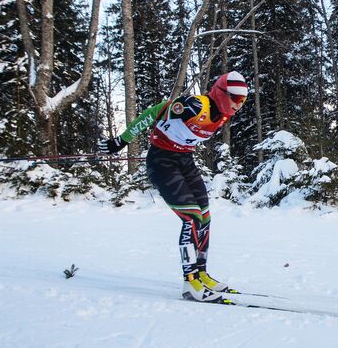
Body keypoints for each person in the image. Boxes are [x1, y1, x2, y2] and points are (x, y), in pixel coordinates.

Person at [99, 71, 248, 303]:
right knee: (191, 218)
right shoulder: (196, 105)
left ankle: (201, 274)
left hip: (185, 161)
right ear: (220, 93)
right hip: (162, 162)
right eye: (236, 98)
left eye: (243, 100)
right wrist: (122, 140)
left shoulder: (223, 116)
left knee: (205, 217)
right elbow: (154, 112)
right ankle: (190, 283)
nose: (239, 105)